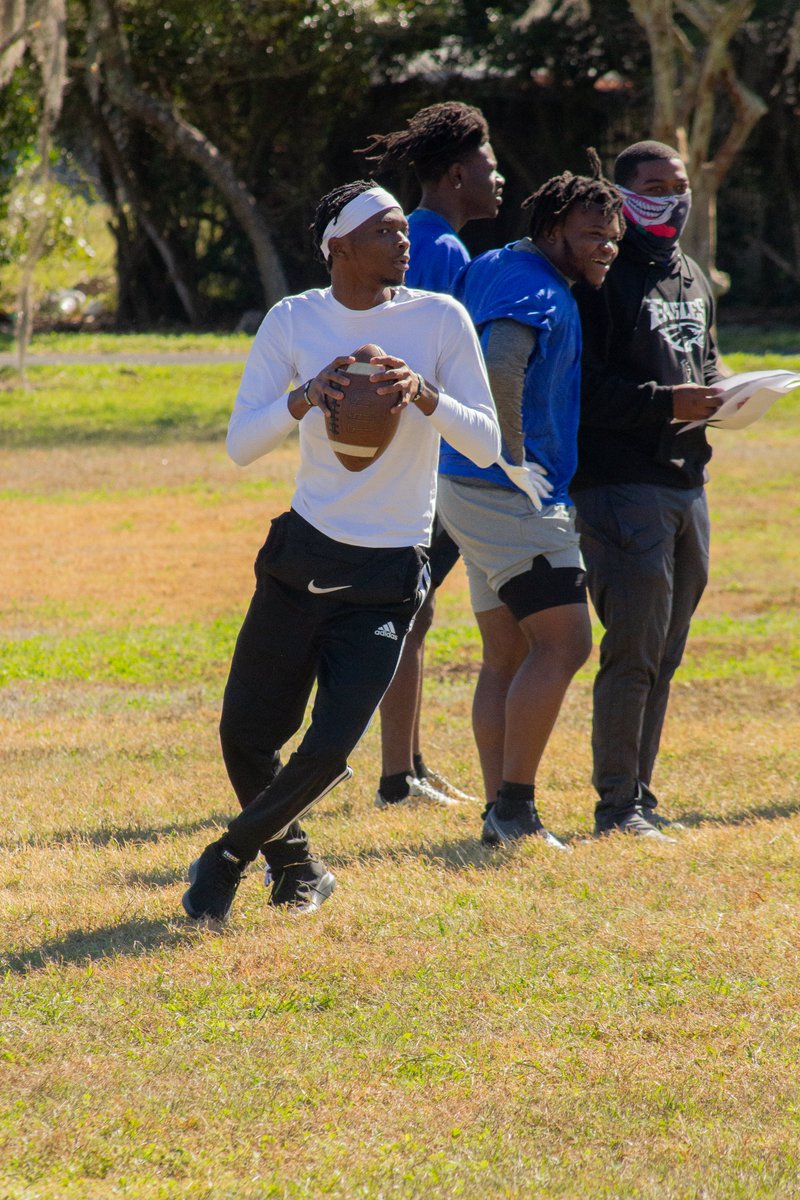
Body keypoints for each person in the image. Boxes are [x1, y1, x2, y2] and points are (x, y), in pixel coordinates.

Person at [182, 180, 501, 925]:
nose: (403, 240)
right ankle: (298, 868)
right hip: (303, 555)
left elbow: (486, 443)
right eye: (384, 230)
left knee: (328, 749)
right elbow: (240, 445)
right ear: (339, 247)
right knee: (245, 737)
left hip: (389, 569)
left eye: (402, 228)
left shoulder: (440, 318)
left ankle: (227, 857)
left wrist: (423, 393)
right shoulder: (295, 320)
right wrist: (307, 395)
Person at [436, 155, 624, 847]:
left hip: (462, 483)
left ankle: (500, 813)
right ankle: (515, 810)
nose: (606, 247)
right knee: (566, 641)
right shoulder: (536, 284)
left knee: (507, 653)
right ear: (551, 229)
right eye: (591, 234)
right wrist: (510, 458)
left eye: (613, 237)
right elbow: (500, 365)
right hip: (505, 490)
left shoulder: (496, 263)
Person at [571, 140, 724, 840]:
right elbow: (582, 391)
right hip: (620, 485)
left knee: (666, 650)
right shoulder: (603, 276)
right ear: (624, 194)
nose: (672, 199)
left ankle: (641, 795)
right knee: (633, 649)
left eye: (679, 185)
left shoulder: (690, 274)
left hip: (687, 483)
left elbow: (705, 362)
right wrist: (667, 404)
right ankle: (617, 808)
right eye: (654, 187)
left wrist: (727, 395)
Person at [358, 102, 505, 810]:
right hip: (435, 463)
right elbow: (436, 366)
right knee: (409, 612)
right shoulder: (441, 249)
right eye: (489, 166)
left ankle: (410, 763)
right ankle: (398, 780)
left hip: (414, 456)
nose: (499, 179)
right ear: (455, 175)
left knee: (413, 609)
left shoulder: (419, 238)